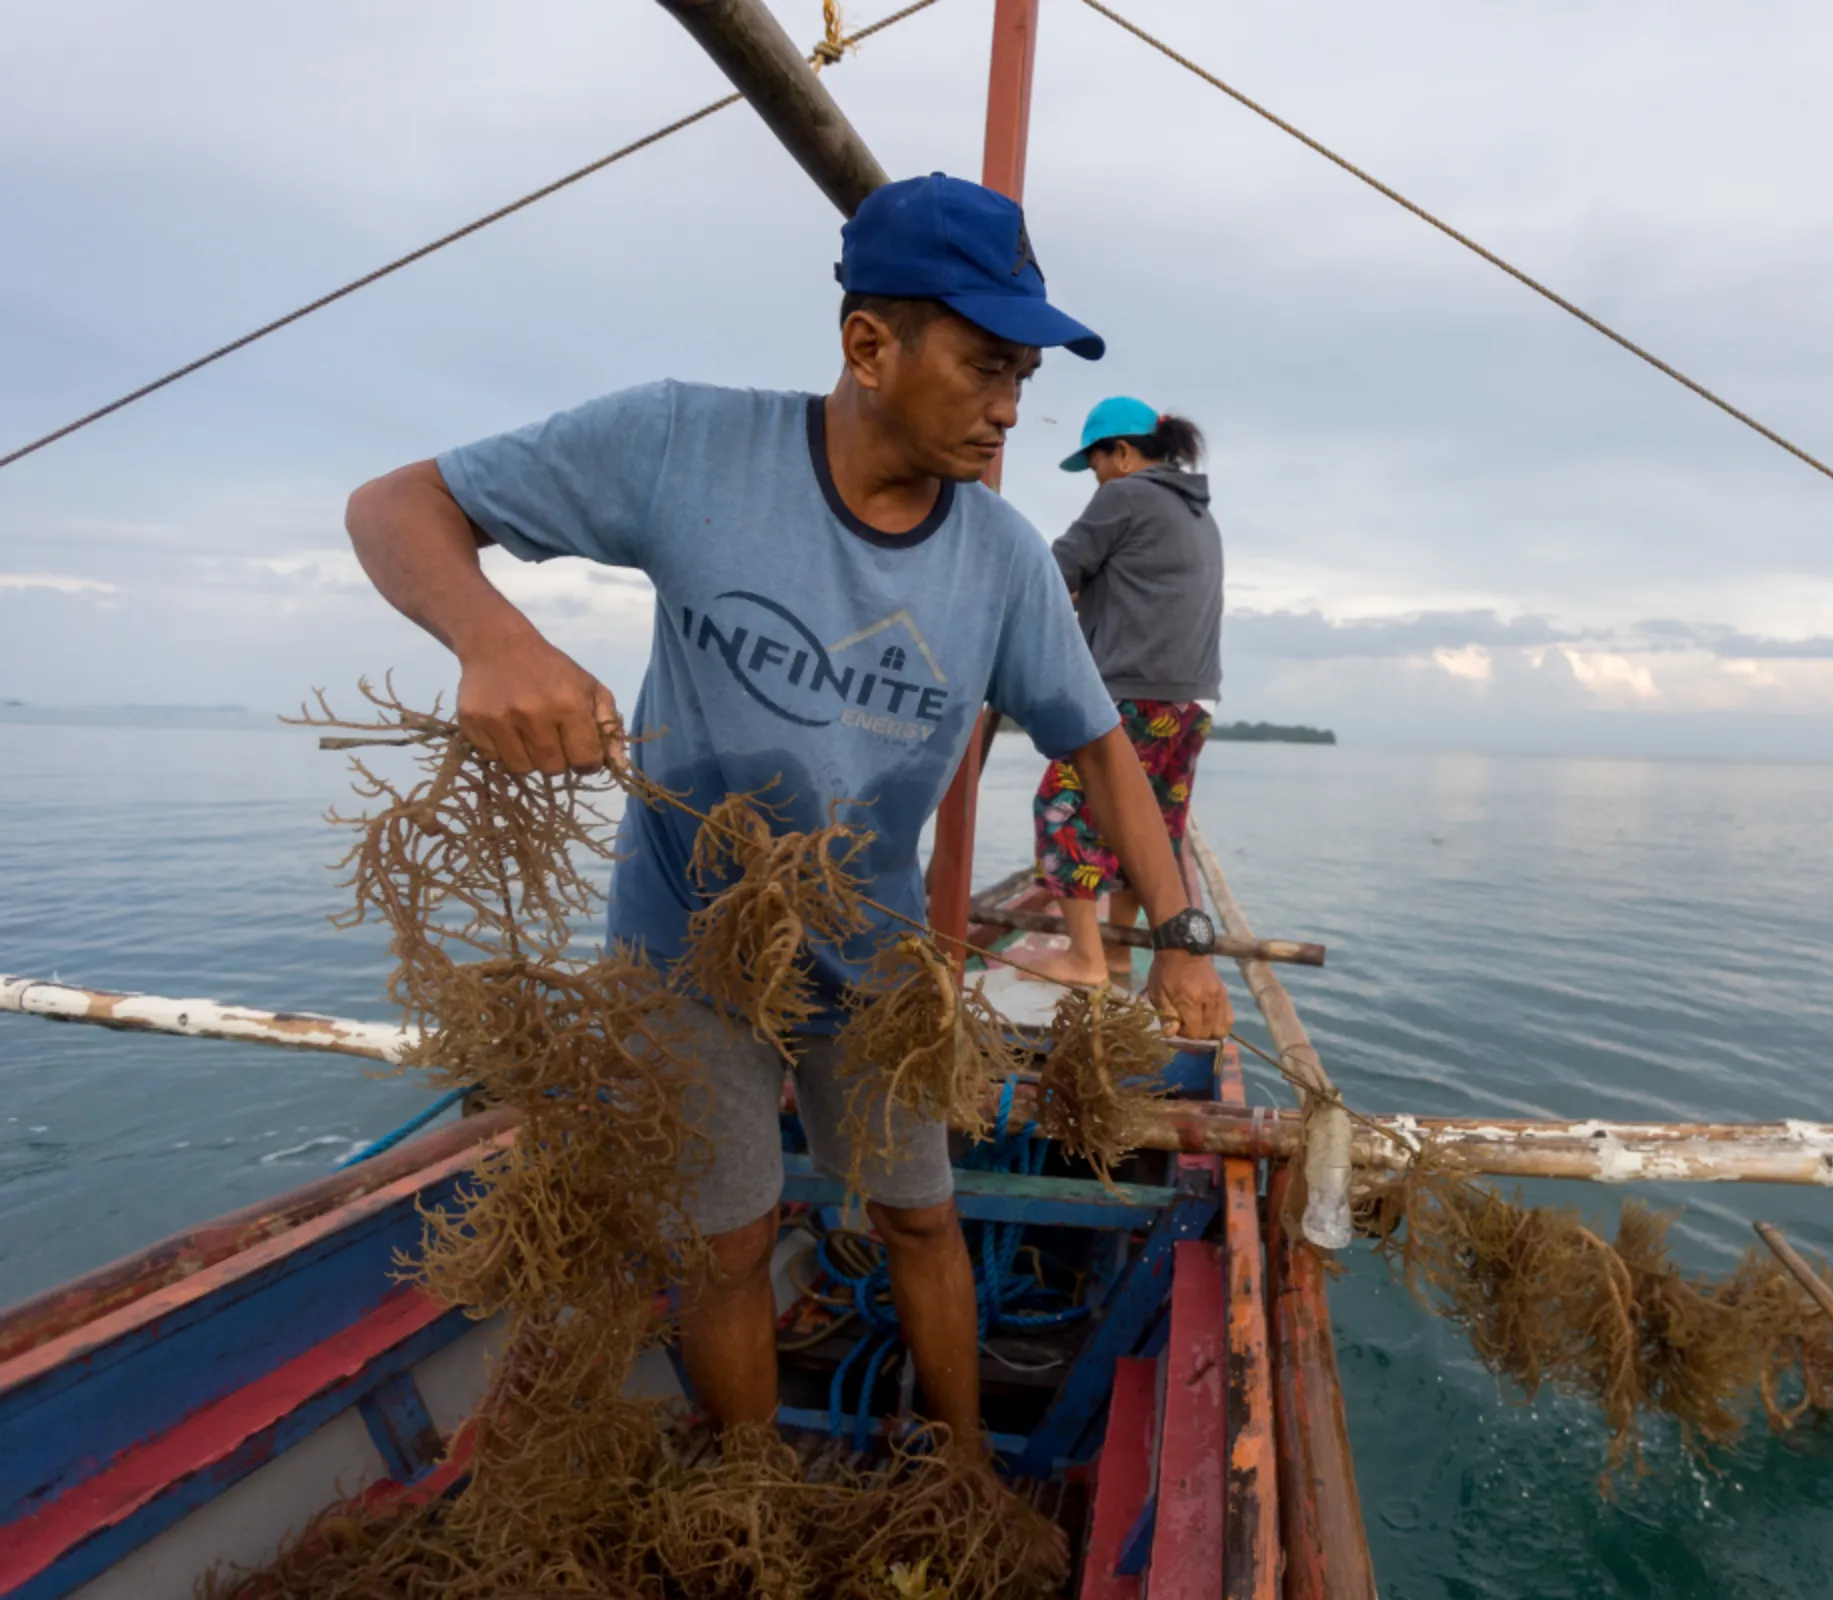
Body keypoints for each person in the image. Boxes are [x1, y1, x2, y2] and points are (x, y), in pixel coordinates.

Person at [341, 175, 1233, 1492]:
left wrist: (1182, 938)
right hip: (683, 945)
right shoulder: (681, 445)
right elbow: (395, 505)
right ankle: (747, 1499)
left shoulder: (1000, 556)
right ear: (868, 347)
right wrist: (496, 639)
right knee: (729, 1241)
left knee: (923, 1215)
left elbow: (1098, 745)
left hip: (869, 961)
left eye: (1026, 376)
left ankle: (961, 1476)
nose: (1007, 408)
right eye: (987, 365)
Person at [1018, 396, 1224, 990]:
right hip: (1192, 698)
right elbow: (1146, 589)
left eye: (1097, 461)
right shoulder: (1195, 513)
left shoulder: (1125, 495)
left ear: (1125, 453)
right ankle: (1114, 953)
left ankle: (1082, 959)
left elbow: (1053, 572)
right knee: (1153, 821)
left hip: (1131, 690)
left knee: (1063, 809)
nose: (1095, 476)